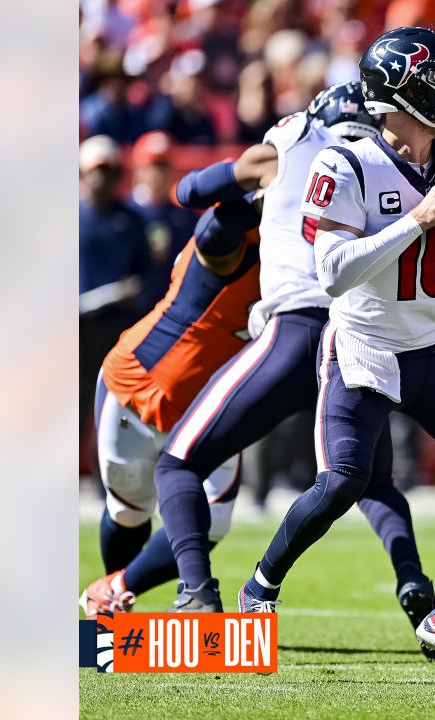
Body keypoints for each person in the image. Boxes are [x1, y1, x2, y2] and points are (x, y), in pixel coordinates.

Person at [229, 27, 435, 680]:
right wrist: (418, 219)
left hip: (431, 349)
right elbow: (332, 276)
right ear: (402, 91)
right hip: (363, 349)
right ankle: (260, 587)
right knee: (344, 480)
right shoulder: (347, 162)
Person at [154, 80, 433, 625]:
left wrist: (252, 198)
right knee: (373, 481)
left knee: (179, 462)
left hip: (298, 330)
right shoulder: (385, 162)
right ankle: (413, 582)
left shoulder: (294, 142)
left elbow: (189, 191)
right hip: (358, 338)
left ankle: (197, 593)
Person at [81, 196, 261, 617]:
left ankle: (112, 591)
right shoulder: (234, 231)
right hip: (138, 384)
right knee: (128, 511)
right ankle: (116, 603)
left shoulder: (309, 244)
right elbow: (210, 205)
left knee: (214, 518)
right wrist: (261, 179)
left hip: (212, 398)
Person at [80, 135, 151, 463]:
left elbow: (145, 271)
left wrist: (131, 291)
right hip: (75, 325)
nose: (103, 177)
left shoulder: (131, 220)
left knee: (112, 402)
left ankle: (105, 474)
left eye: (110, 170)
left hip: (117, 324)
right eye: (97, 169)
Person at [128, 131, 196, 303]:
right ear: (139, 169)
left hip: (172, 304)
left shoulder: (184, 217)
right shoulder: (125, 215)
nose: (159, 173)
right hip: (131, 308)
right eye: (154, 165)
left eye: (164, 166)